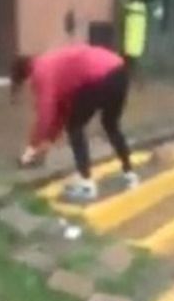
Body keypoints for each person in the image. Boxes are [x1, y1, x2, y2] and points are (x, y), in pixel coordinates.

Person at [11, 44, 137, 201]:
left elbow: (46, 115)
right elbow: (61, 112)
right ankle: (129, 173)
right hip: (119, 72)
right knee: (111, 125)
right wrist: (49, 140)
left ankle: (86, 185)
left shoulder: (40, 71)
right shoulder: (53, 64)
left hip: (99, 77)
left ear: (25, 74)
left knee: (75, 127)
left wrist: (32, 146)